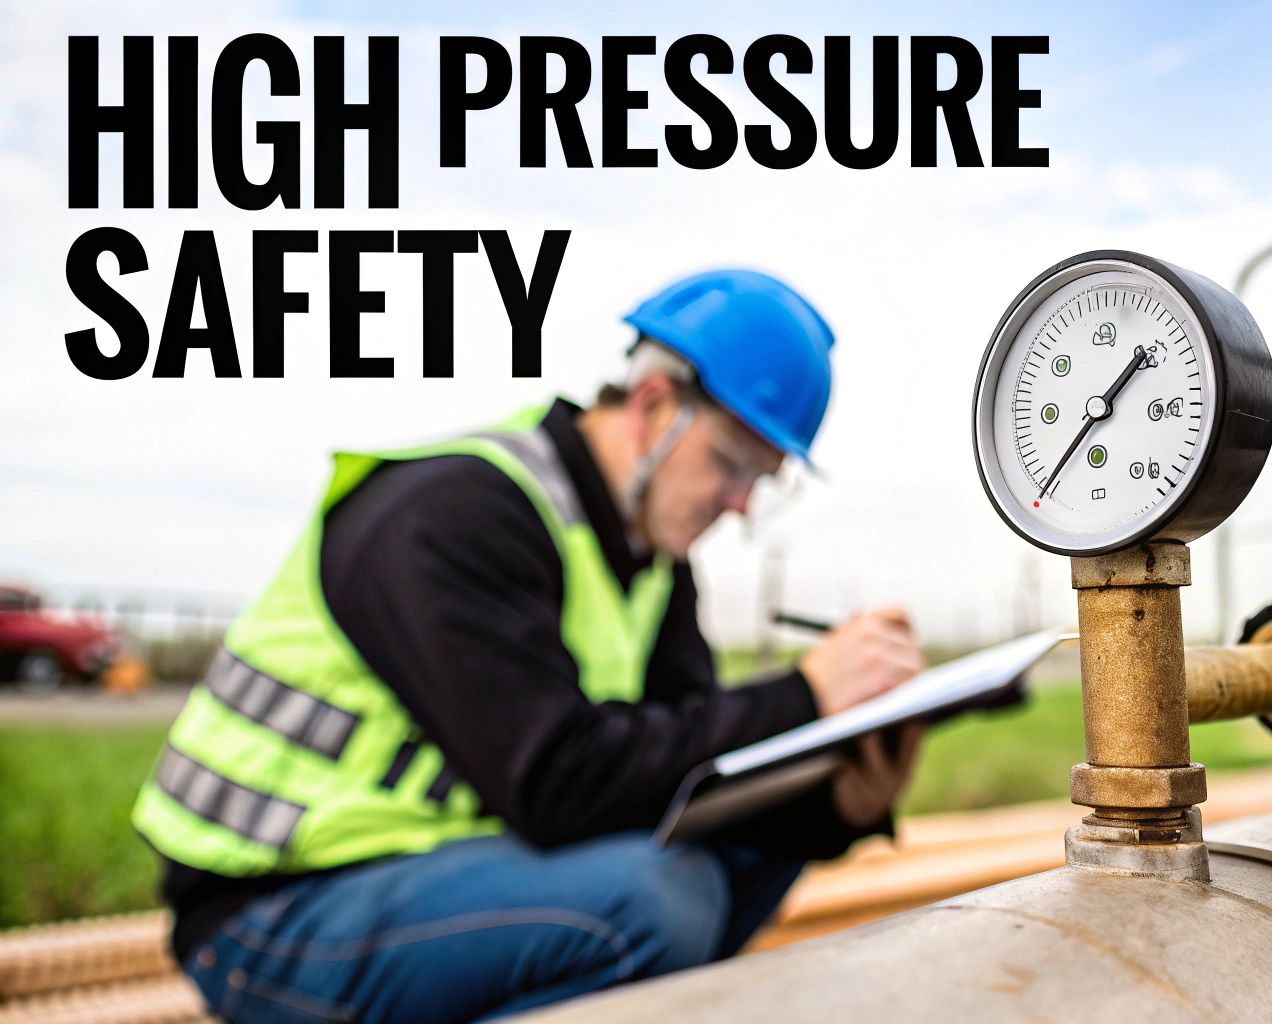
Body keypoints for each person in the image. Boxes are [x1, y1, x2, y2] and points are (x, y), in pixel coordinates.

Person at [131, 269, 927, 1022]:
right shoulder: (457, 514)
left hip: (446, 873)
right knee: (650, 902)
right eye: (730, 464)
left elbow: (689, 775)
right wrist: (806, 694)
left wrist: (837, 805)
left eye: (765, 479)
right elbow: (558, 783)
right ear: (653, 405)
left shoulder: (653, 560)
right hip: (270, 909)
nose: (740, 504)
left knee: (746, 850)